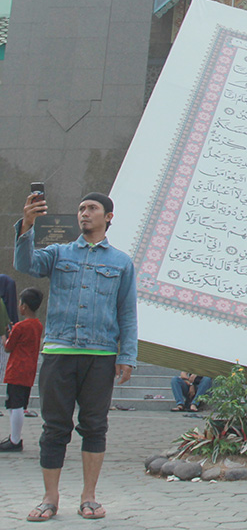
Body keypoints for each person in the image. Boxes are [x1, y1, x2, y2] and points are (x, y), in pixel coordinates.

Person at [14, 190, 138, 522]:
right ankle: (49, 498)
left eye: (92, 208)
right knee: (54, 428)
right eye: (81, 208)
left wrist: (127, 355)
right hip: (59, 352)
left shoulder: (121, 262)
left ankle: (89, 497)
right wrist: (27, 224)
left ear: (108, 217)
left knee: (95, 426)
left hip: (100, 356)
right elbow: (25, 264)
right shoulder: (58, 254)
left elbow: (127, 313)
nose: (84, 213)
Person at [1, 288, 44, 452]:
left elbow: (8, 347)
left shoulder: (20, 326)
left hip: (16, 369)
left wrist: (6, 335)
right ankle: (14, 437)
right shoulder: (38, 325)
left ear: (24, 306)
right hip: (29, 370)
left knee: (15, 405)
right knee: (20, 404)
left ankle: (15, 439)